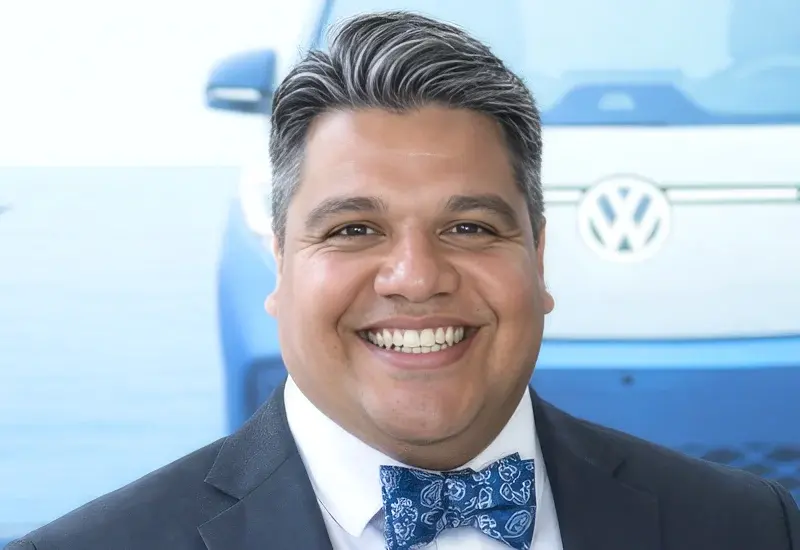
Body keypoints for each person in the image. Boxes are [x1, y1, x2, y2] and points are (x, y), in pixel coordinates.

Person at [6, 10, 798, 550]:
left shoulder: (751, 529)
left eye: (469, 227)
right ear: (279, 263)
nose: (416, 278)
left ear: (538, 259)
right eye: (354, 229)